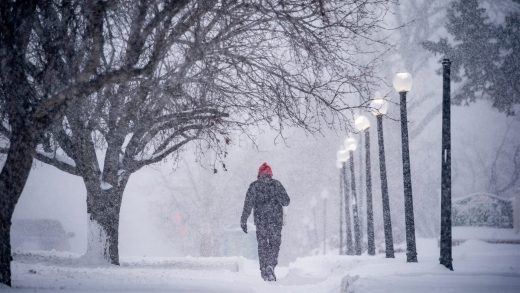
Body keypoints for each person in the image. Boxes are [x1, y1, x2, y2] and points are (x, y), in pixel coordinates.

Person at [240, 162, 290, 281]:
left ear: (259, 174)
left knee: (262, 245)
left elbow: (248, 204)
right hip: (275, 221)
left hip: (261, 221)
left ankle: (264, 269)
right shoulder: (276, 185)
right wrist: (277, 197)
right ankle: (270, 265)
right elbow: (286, 201)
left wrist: (243, 220)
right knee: (274, 244)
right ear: (270, 174)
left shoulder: (254, 186)